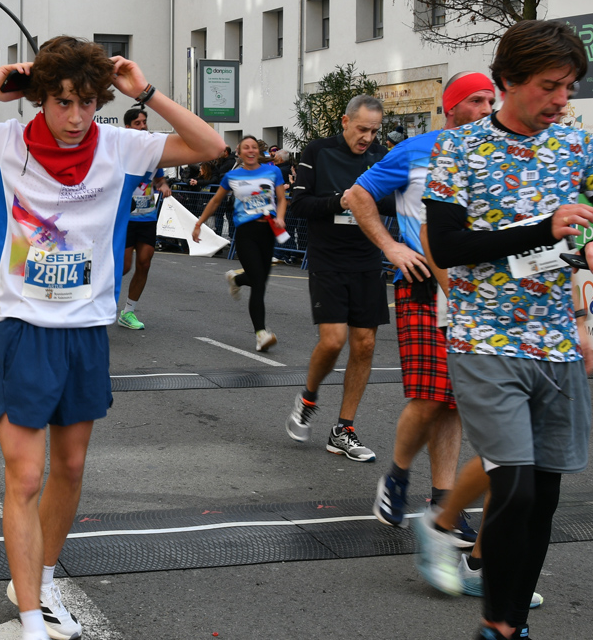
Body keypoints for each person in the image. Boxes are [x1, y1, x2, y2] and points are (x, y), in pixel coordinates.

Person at [0, 37, 224, 640]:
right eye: (63, 101)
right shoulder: (5, 140)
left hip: (87, 330)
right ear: (41, 98)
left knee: (70, 468)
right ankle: (29, 619)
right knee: (24, 478)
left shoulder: (123, 146)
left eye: (87, 102)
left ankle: (41, 583)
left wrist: (145, 91)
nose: (75, 117)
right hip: (24, 327)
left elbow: (210, 147)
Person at [419, 19, 593, 640]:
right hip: (485, 341)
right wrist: (543, 229)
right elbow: (449, 245)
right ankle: (497, 621)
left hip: (557, 345)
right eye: (550, 86)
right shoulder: (460, 149)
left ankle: (508, 626)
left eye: (569, 87)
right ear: (510, 81)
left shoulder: (575, 144)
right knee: (514, 489)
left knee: (542, 499)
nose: (561, 100)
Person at [341, 72, 496, 535]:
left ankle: (444, 502)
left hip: (474, 289)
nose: (487, 109)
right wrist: (391, 247)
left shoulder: (497, 156)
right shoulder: (414, 151)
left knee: (453, 401)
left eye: (491, 101)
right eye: (476, 100)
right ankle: (397, 476)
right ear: (451, 106)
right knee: (430, 397)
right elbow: (357, 195)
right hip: (422, 281)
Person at [284, 94, 393, 462]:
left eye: (374, 131)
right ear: (345, 122)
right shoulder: (318, 151)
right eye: (362, 129)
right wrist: (341, 201)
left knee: (365, 344)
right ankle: (308, 397)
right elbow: (300, 204)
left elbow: (391, 201)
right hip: (328, 258)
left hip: (367, 258)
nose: (367, 138)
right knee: (333, 342)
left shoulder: (380, 156)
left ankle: (343, 430)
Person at [192, 135, 287, 351]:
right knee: (259, 283)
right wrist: (198, 223)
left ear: (258, 151)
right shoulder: (232, 176)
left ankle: (236, 279)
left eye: (254, 147)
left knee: (259, 281)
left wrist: (281, 217)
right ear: (240, 153)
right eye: (246, 148)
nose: (251, 151)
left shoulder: (273, 172)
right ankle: (261, 334)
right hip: (246, 233)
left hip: (268, 231)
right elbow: (216, 201)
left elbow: (282, 199)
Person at [116, 107, 171, 330]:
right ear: (128, 127)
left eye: (144, 122)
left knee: (145, 263)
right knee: (123, 266)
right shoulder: (120, 153)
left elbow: (159, 179)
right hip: (125, 217)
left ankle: (128, 312)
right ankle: (97, 302)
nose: (142, 126)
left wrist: (163, 185)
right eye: (137, 123)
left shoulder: (152, 154)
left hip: (147, 216)